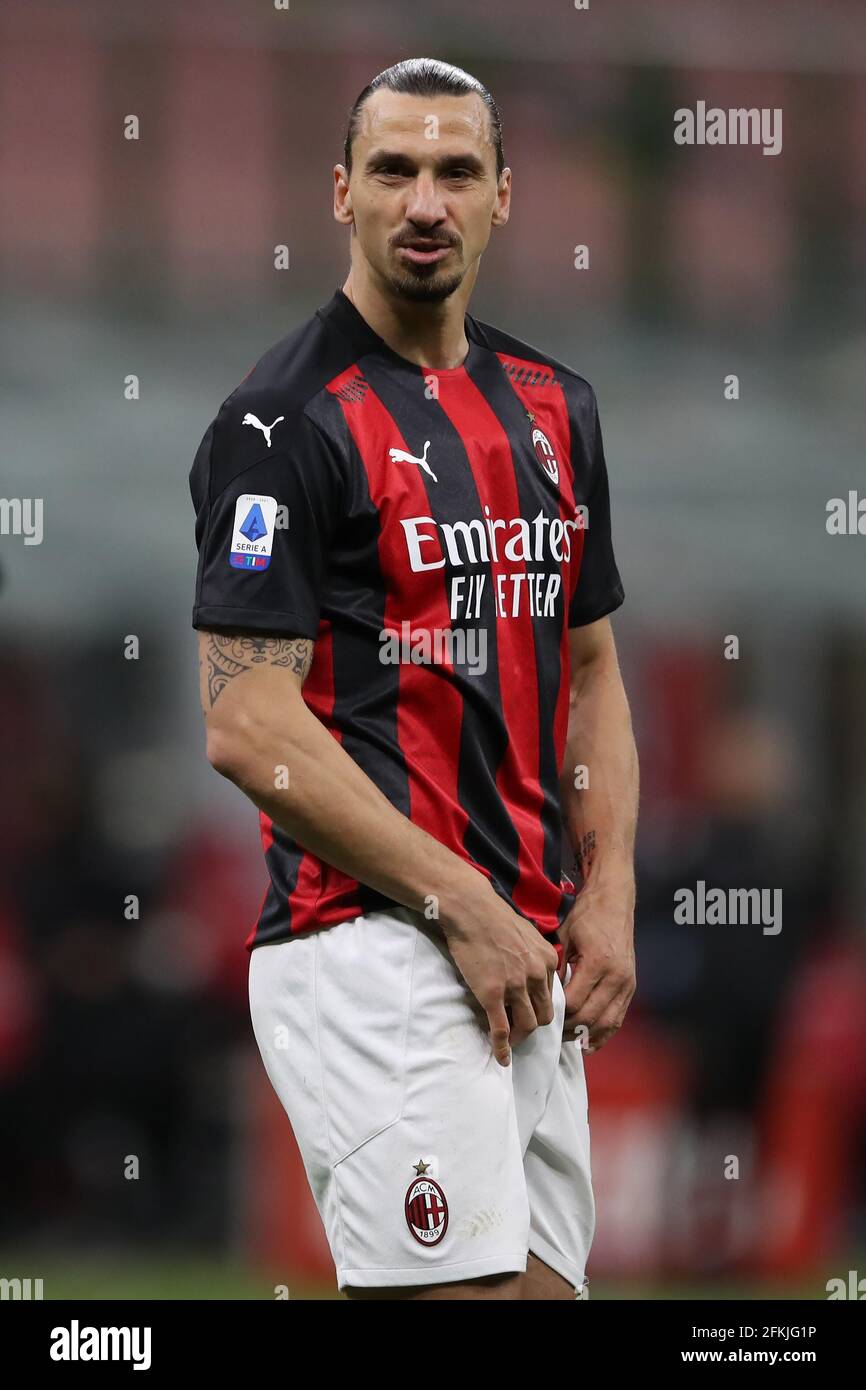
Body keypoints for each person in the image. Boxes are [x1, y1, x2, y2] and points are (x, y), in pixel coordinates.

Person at [189, 57, 638, 1301]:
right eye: (392, 170)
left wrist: (609, 890)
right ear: (341, 194)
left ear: (505, 195)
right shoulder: (276, 425)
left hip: (526, 947)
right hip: (374, 943)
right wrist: (457, 900)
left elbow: (590, 670)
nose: (423, 201)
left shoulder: (555, 407)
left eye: (454, 172)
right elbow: (243, 723)